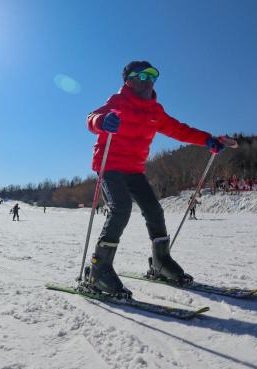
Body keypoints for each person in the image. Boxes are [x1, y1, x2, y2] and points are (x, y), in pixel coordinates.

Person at [86, 60, 225, 294]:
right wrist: (101, 121)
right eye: (142, 76)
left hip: (134, 170)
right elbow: (91, 118)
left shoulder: (155, 111)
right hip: (109, 165)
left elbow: (180, 130)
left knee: (154, 210)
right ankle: (99, 270)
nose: (148, 80)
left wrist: (208, 140)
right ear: (128, 80)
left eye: (153, 75)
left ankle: (160, 262)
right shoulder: (118, 102)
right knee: (121, 207)